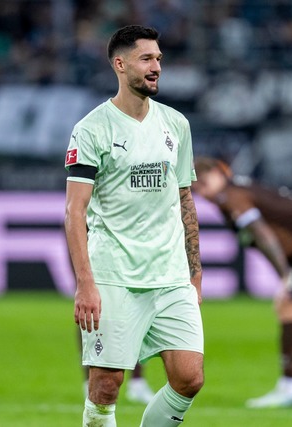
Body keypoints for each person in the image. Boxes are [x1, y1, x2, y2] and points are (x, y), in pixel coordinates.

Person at [64, 25, 204, 426]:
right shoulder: (92, 129)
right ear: (120, 64)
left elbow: (184, 199)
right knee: (106, 386)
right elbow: (75, 212)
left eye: (159, 58)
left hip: (170, 275)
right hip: (114, 275)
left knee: (189, 378)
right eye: (147, 59)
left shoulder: (176, 125)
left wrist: (194, 272)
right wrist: (85, 283)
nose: (156, 66)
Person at [191, 157, 292, 409]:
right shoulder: (238, 190)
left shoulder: (230, 196)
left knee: (288, 304)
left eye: (204, 183)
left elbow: (263, 235)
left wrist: (286, 275)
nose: (202, 192)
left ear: (219, 174)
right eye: (196, 189)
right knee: (288, 304)